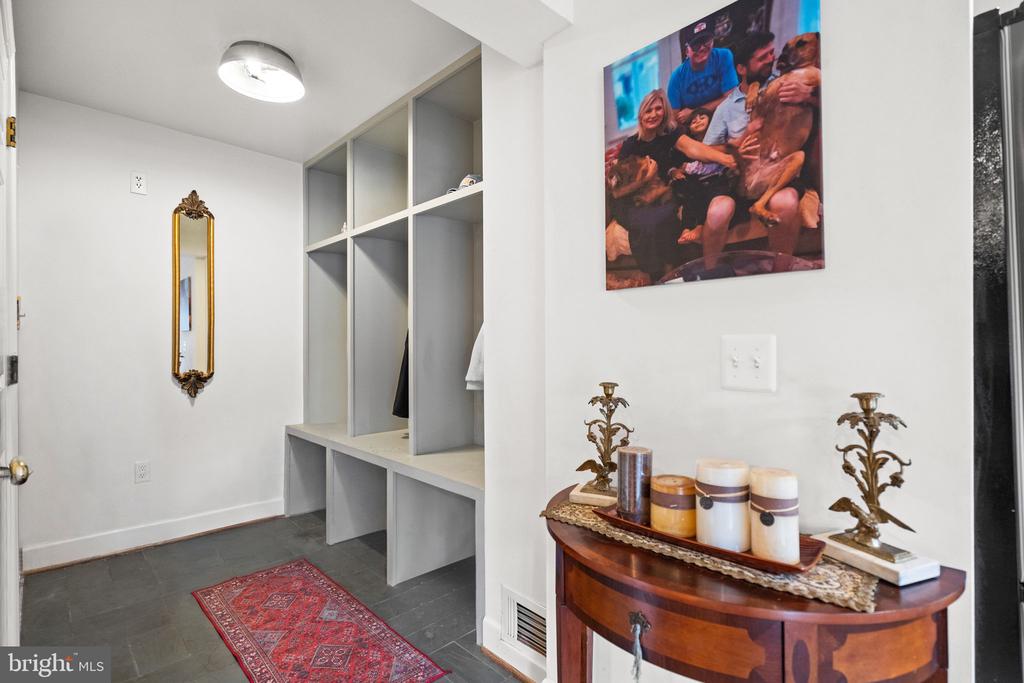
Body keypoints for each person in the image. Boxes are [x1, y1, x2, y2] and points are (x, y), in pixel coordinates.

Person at [699, 31, 818, 271]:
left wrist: (810, 96)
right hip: (744, 175)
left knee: (786, 202)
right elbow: (707, 150)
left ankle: (780, 273)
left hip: (780, 170)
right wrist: (735, 148)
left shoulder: (788, 80)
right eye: (762, 57)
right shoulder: (725, 109)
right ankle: (708, 275)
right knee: (718, 211)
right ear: (742, 68)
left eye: (771, 53)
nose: (771, 59)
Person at [609, 89, 736, 282]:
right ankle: (656, 275)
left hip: (661, 194)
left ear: (665, 111)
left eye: (658, 109)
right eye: (648, 110)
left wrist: (724, 158)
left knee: (669, 212)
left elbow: (694, 148)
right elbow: (618, 190)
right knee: (649, 223)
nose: (653, 114)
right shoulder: (630, 144)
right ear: (641, 115)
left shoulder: (670, 135)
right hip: (632, 198)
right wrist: (646, 177)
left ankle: (676, 272)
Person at [666, 21, 739, 126]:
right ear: (687, 51)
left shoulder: (723, 56)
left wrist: (694, 112)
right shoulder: (676, 78)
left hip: (726, 116)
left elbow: (731, 98)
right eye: (696, 45)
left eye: (706, 41)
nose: (702, 48)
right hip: (695, 126)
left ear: (712, 41)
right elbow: (675, 119)